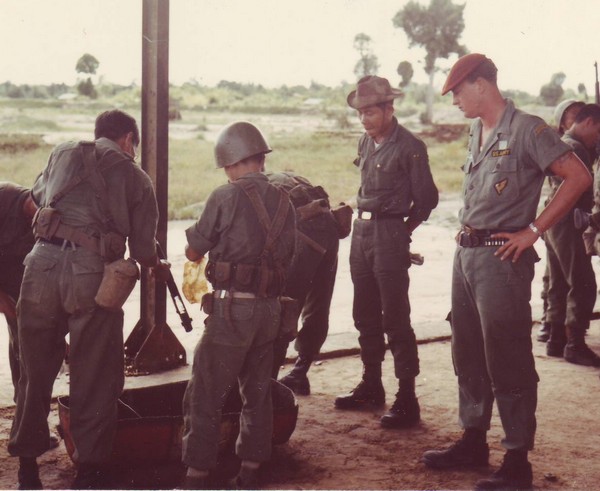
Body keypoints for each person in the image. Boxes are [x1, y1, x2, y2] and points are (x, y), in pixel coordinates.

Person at [421, 54, 592, 491]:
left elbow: (577, 177)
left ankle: (517, 461)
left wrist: (534, 230)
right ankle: (473, 439)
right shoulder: (478, 130)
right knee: (469, 352)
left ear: (481, 85)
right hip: (468, 254)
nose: (455, 99)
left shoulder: (527, 129)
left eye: (459, 90)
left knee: (508, 356)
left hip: (502, 258)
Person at [8, 109, 168, 490]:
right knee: (93, 374)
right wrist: (155, 262)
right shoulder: (136, 176)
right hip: (92, 277)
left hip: (40, 268)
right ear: (129, 139)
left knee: (33, 371)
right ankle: (91, 470)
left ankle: (28, 465)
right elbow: (145, 248)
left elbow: (36, 197)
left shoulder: (63, 152)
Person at [181, 121, 296, 489]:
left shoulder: (225, 196)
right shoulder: (285, 200)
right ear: (260, 159)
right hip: (270, 311)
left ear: (232, 162)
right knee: (258, 394)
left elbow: (194, 250)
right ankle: (250, 471)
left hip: (233, 312)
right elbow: (289, 256)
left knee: (205, 392)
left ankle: (197, 474)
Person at [334, 75, 439, 429]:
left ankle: (407, 398)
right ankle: (371, 386)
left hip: (388, 234)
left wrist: (399, 232)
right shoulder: (365, 143)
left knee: (395, 318)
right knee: (364, 315)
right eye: (360, 112)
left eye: (371, 112)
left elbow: (426, 201)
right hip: (362, 234)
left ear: (389, 109)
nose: (364, 118)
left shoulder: (410, 146)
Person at [268, 172, 340, 395]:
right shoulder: (286, 177)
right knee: (319, 302)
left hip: (304, 233)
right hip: (329, 227)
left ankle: (268, 381)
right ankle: (300, 372)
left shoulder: (251, 189)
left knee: (283, 304)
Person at [545, 103, 600, 365]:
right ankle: (574, 345)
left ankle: (556, 340)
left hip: (554, 222)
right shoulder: (576, 148)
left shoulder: (563, 143)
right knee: (583, 282)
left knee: (560, 282)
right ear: (588, 122)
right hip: (567, 221)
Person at [537, 99, 585, 343]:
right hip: (562, 218)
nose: (575, 119)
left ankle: (555, 331)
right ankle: (553, 326)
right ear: (562, 121)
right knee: (562, 277)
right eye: (571, 116)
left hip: (558, 220)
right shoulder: (566, 147)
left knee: (557, 276)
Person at [0, 183, 37, 399]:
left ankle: (23, 405)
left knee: (24, 338)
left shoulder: (47, 223)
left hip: (15, 279)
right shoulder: (4, 199)